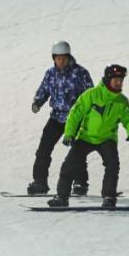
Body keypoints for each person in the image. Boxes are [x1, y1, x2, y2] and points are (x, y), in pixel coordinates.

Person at [49, 64, 129, 209]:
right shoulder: (91, 94)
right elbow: (75, 113)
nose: (119, 83)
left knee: (112, 165)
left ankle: (109, 197)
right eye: (116, 80)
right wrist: (69, 133)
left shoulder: (121, 101)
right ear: (108, 79)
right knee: (68, 166)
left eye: (121, 80)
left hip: (107, 139)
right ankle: (61, 198)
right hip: (86, 138)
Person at [28, 41, 93, 195]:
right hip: (56, 117)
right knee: (43, 149)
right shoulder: (50, 73)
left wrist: (91, 112)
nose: (61, 61)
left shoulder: (80, 73)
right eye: (57, 58)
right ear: (54, 59)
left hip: (75, 118)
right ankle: (40, 182)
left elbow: (91, 94)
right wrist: (38, 102)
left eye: (63, 58)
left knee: (77, 151)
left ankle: (80, 183)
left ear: (69, 57)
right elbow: (44, 89)